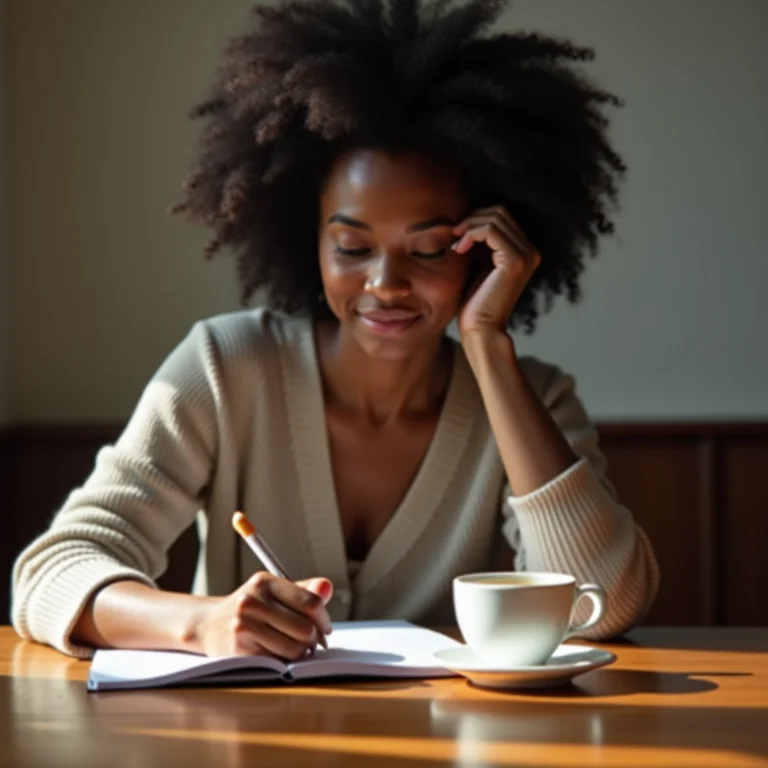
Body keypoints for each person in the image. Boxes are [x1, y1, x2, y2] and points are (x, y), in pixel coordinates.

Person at [12, 0, 659, 660]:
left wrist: (488, 346)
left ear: (491, 248)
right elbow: (51, 574)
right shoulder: (225, 367)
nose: (385, 283)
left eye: (431, 248)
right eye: (352, 247)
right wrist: (201, 624)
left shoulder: (534, 403)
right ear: (307, 240)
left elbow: (602, 603)